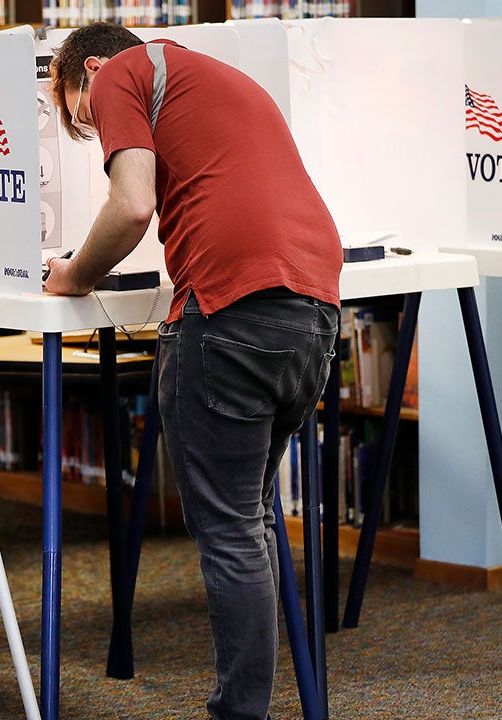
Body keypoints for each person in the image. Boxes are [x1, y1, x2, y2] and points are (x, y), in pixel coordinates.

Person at [45, 22, 342, 720]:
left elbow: (132, 204)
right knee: (253, 521)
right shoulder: (219, 78)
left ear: (91, 68)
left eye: (86, 114)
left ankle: (240, 713)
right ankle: (249, 704)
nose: (99, 128)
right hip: (315, 311)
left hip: (232, 311)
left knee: (234, 530)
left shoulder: (123, 72)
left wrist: (73, 275)